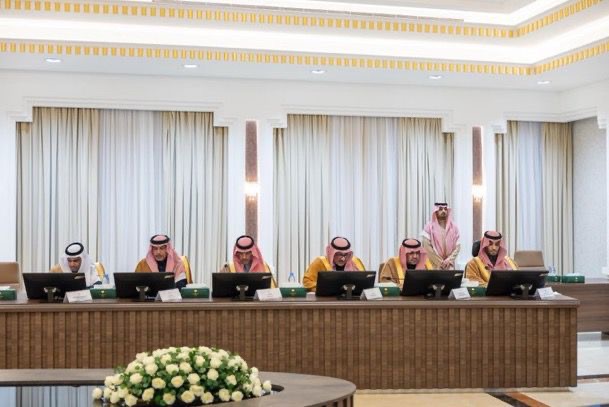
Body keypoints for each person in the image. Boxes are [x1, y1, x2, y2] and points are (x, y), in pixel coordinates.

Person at [421, 202, 460, 270]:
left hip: (449, 265)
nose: (443, 211)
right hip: (434, 265)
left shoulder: (454, 227)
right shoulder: (429, 227)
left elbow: (458, 246)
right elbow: (427, 248)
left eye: (445, 209)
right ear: (436, 211)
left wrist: (449, 260)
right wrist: (440, 262)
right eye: (440, 209)